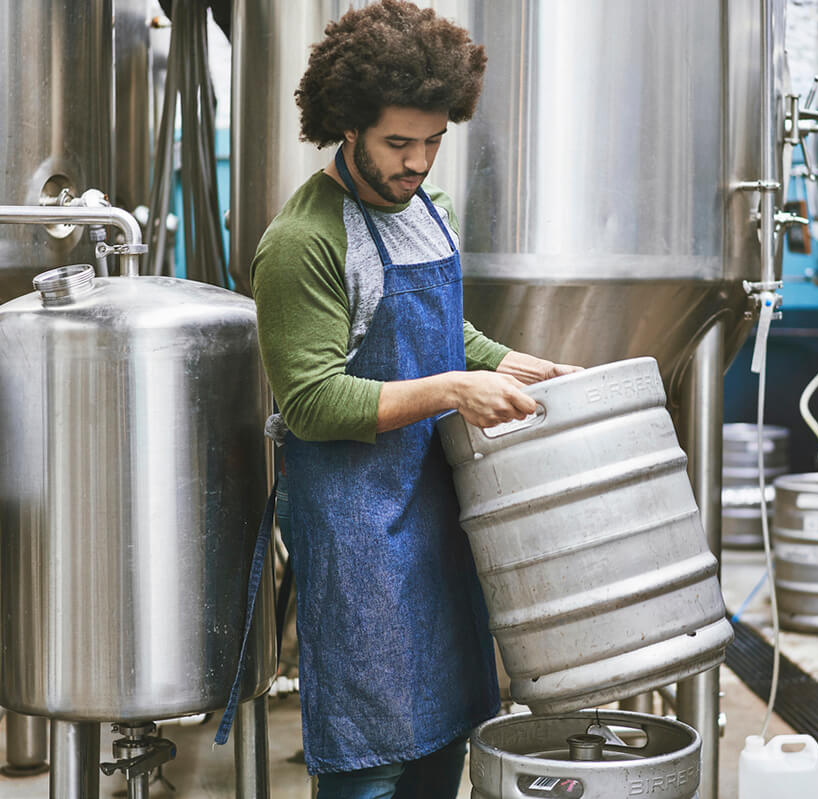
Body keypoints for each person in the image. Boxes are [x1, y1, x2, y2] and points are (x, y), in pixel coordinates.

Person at [250, 2, 576, 796]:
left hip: (437, 512)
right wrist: (453, 390)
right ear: (348, 127)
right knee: (373, 754)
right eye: (400, 143)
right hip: (358, 526)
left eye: (434, 140)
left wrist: (514, 364)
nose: (419, 162)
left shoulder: (429, 211)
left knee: (446, 737)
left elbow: (441, 332)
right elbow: (312, 400)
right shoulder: (304, 242)